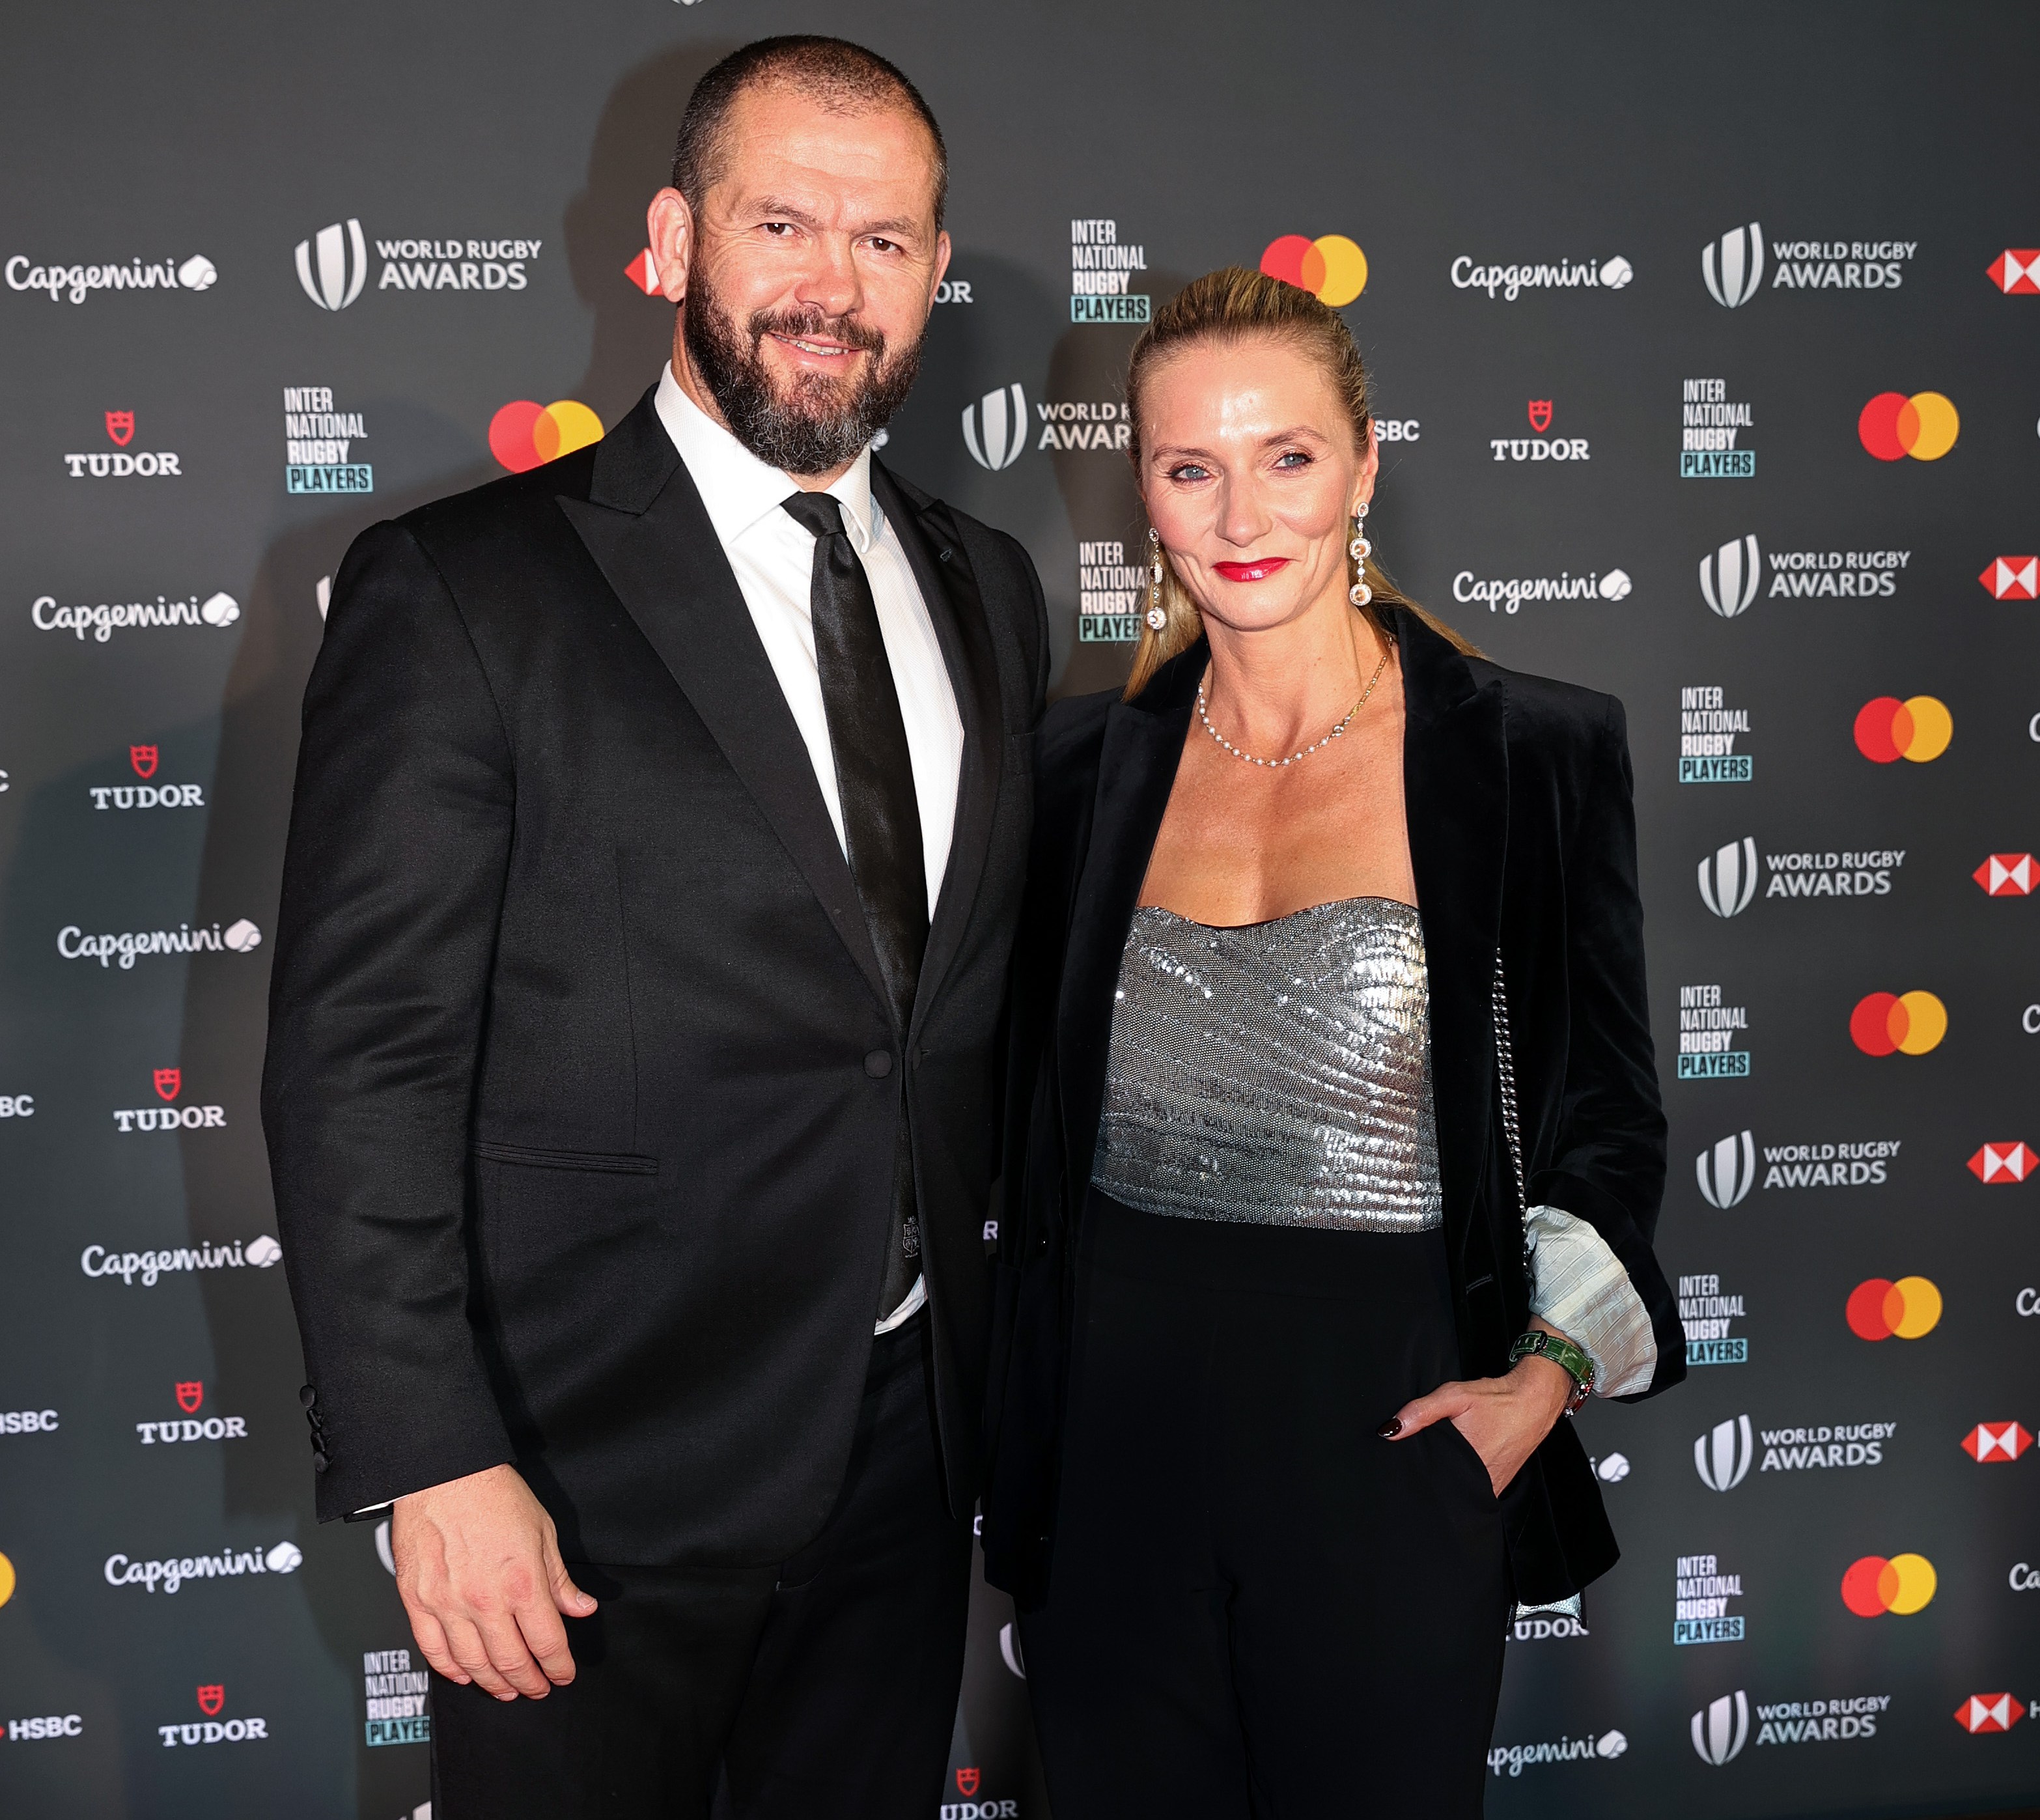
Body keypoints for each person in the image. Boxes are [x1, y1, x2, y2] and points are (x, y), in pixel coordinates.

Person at [261, 37, 1046, 1820]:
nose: (828, 288)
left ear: (933, 272)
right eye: (783, 224)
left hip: (904, 1471)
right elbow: (358, 1058)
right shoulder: (467, 587)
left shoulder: (985, 586)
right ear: (671, 238)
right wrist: (431, 1460)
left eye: (883, 242)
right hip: (573, 1484)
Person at [981, 267, 1683, 1817]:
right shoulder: (1076, 769)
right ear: (1145, 494)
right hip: (1118, 1433)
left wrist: (1545, 1376)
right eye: (1190, 466)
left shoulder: (1536, 748)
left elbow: (1610, 1114)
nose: (1242, 510)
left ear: (1363, 467)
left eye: (1286, 456)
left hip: (1391, 1428)